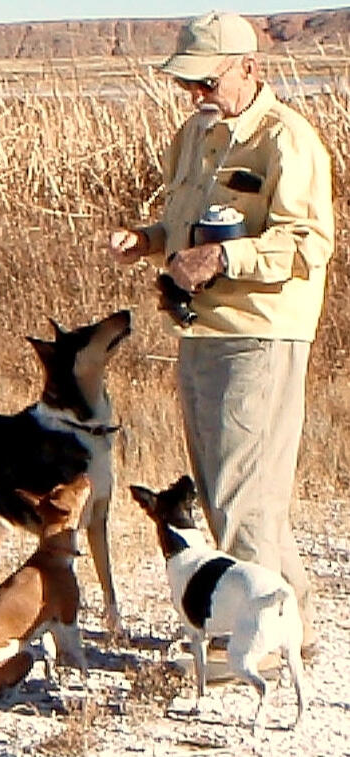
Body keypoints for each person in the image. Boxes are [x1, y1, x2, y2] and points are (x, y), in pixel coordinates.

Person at [109, 12, 334, 656]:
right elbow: (186, 225)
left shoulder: (287, 141)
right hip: (200, 332)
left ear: (249, 68)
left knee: (241, 499)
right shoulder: (194, 135)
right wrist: (149, 242)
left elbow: (309, 242)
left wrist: (223, 260)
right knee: (224, 492)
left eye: (206, 82)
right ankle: (291, 623)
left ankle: (248, 641)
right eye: (188, 84)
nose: (196, 95)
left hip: (261, 335)